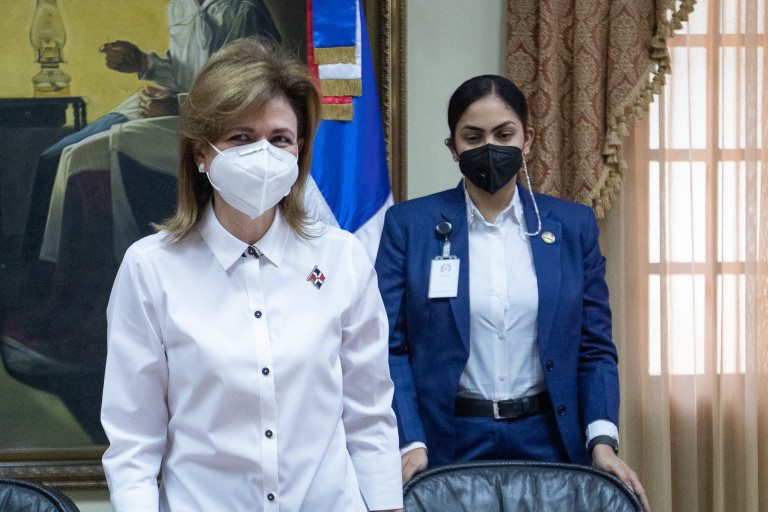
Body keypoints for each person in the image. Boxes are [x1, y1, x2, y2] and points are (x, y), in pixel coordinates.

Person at [101, 37, 403, 512]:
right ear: (200, 153)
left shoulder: (342, 259)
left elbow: (370, 418)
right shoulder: (151, 269)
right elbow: (133, 444)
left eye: (279, 139)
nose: (263, 154)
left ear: (299, 150)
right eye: (240, 137)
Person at [375, 74, 650, 511]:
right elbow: (388, 347)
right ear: (453, 148)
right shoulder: (409, 226)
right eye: (473, 137)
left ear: (528, 140)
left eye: (504, 134)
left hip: (549, 441)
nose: (490, 147)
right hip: (447, 444)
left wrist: (602, 441)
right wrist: (410, 441)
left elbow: (595, 347)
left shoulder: (572, 226)